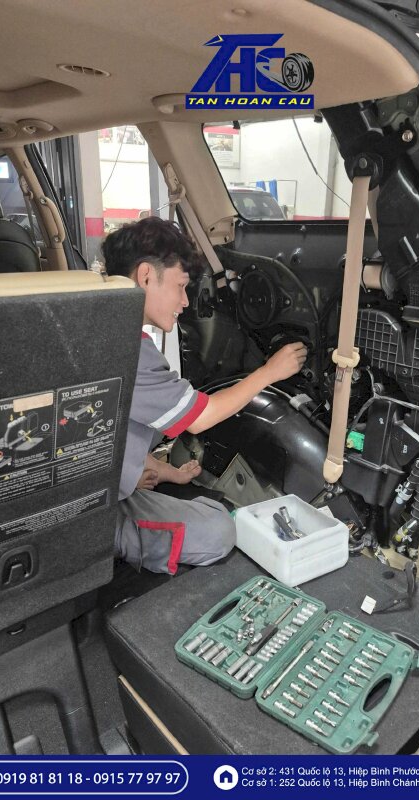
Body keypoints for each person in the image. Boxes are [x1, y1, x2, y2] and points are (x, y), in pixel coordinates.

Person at [102, 217, 307, 575]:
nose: (185, 301)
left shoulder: (100, 327)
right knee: (219, 529)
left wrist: (166, 471)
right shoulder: (127, 349)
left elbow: (111, 432)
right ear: (146, 276)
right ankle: (108, 541)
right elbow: (202, 417)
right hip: (92, 515)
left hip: (92, 484)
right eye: (181, 286)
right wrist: (270, 372)